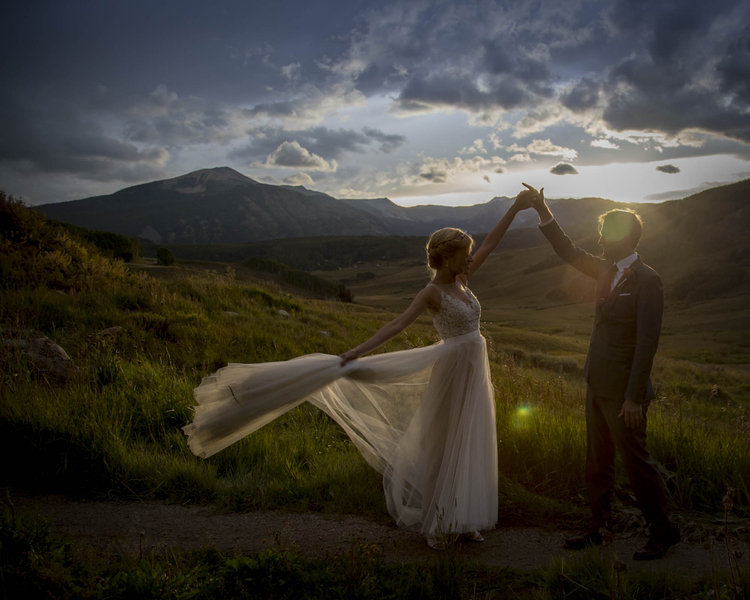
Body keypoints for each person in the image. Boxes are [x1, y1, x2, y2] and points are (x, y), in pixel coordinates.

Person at [184, 189, 534, 550]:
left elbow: (491, 243)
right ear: (446, 259)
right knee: (446, 443)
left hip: (474, 373)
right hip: (452, 373)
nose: (471, 258)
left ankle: (464, 518)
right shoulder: (432, 292)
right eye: (464, 254)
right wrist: (358, 351)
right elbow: (396, 326)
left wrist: (516, 206)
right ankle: (440, 519)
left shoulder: (463, 278)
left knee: (471, 439)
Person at [523, 183, 679, 560]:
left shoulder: (648, 280)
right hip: (597, 381)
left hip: (625, 392)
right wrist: (543, 211)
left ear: (624, 238)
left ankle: (664, 532)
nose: (600, 239)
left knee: (637, 465)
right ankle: (599, 528)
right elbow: (568, 251)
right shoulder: (605, 269)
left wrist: (632, 397)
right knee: (598, 462)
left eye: (606, 234)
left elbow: (647, 343)